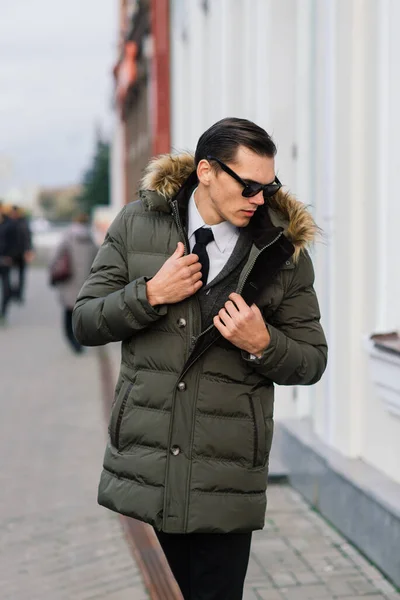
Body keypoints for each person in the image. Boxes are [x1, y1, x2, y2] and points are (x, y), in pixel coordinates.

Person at [73, 118, 328, 599]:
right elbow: (85, 321)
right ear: (207, 171)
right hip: (152, 465)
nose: (260, 198)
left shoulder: (283, 251)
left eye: (269, 186)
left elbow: (313, 360)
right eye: (249, 186)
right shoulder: (137, 223)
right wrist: (149, 294)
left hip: (226, 473)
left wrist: (262, 342)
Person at [53, 212, 97, 353]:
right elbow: (98, 258)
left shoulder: (68, 235)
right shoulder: (90, 238)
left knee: (68, 311)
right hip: (86, 281)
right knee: (81, 311)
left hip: (69, 280)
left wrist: (52, 272)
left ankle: (71, 339)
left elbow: (56, 255)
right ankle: (79, 340)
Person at [7, 205, 34, 303]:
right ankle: (10, 293)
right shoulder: (8, 223)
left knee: (21, 276)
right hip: (11, 254)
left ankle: (19, 294)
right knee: (10, 275)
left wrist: (29, 250)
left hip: (22, 253)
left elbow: (28, 238)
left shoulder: (23, 223)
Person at [0, 202, 13, 325]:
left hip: (5, 260)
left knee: (6, 288)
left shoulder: (9, 223)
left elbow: (15, 240)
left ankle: (3, 313)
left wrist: (10, 256)